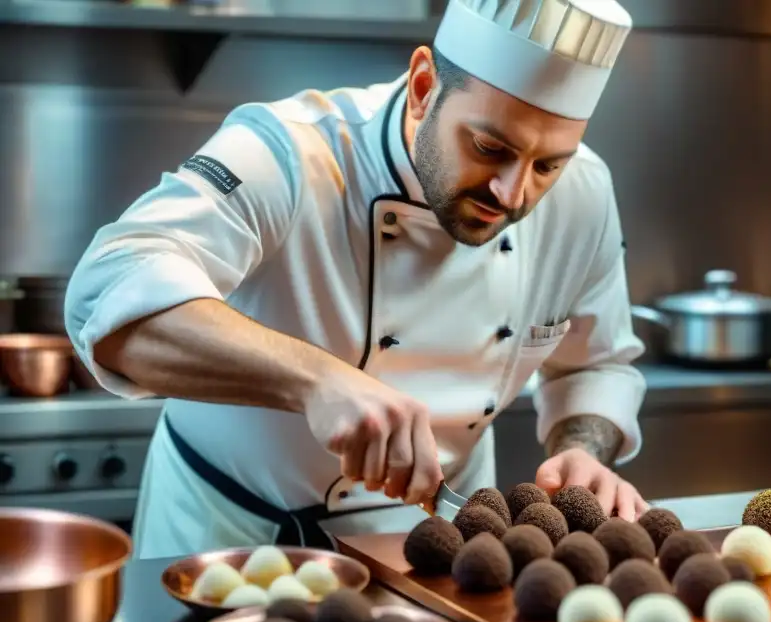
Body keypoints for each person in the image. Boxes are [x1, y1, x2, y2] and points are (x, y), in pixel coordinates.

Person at [64, 0, 649, 559]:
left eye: (548, 165)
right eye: (489, 147)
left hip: (439, 545)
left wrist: (582, 451)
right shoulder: (292, 153)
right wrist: (316, 381)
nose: (513, 192)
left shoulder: (585, 193)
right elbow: (107, 292)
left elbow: (594, 363)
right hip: (231, 537)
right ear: (424, 88)